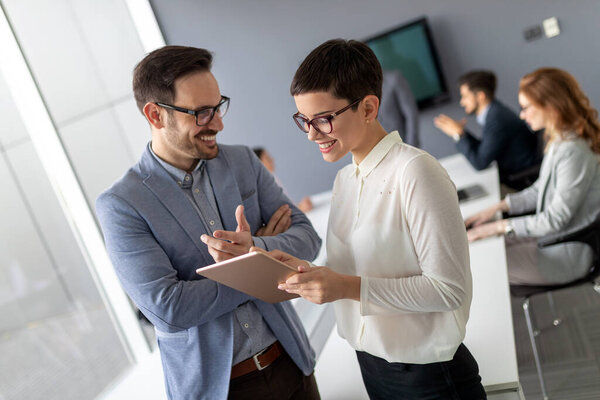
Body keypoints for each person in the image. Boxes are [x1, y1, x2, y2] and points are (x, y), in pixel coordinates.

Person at [262, 39, 486, 399]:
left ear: (368, 108)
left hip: (428, 376)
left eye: (323, 119)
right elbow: (359, 268)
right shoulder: (345, 180)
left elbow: (448, 289)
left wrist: (345, 287)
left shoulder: (415, 171)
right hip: (371, 365)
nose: (311, 133)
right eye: (304, 120)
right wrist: (305, 269)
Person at [95, 46, 322, 400]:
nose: (218, 123)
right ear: (155, 115)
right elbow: (170, 310)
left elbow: (307, 238)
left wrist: (256, 248)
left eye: (218, 107)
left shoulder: (243, 160)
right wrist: (257, 270)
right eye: (201, 113)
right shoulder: (121, 205)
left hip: (292, 366)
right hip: (219, 391)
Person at [465, 67, 600, 286]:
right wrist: (497, 208)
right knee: (477, 246)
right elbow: (540, 190)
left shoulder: (574, 151)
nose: (521, 114)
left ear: (551, 107)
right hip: (552, 241)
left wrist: (500, 226)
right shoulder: (560, 140)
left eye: (526, 107)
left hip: (567, 253)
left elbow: (555, 219)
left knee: (479, 261)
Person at [434, 70, 542, 191]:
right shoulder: (495, 112)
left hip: (522, 181)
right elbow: (483, 149)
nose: (462, 102)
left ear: (480, 96)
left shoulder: (496, 119)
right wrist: (461, 133)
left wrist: (458, 135)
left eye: (464, 96)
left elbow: (480, 162)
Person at [252, 147, 313, 212]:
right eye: (268, 158)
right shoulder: (263, 189)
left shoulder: (273, 179)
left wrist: (300, 206)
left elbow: (286, 206)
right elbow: (277, 216)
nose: (272, 159)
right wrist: (301, 209)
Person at [379, 69, 420, 147]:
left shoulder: (393, 79)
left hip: (402, 146)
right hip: (376, 153)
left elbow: (411, 114)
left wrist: (411, 147)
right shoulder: (356, 89)